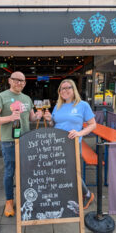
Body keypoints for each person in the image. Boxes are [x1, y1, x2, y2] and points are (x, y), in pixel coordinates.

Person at [0, 71, 43, 217]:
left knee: (26, 171)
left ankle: (25, 197)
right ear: (10, 81)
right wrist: (10, 117)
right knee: (10, 172)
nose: (20, 83)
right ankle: (9, 201)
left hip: (26, 140)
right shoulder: (1, 97)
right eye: (16, 80)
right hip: (9, 141)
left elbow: (31, 118)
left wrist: (38, 116)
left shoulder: (27, 98)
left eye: (22, 81)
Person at [43, 79, 96, 209]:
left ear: (74, 90)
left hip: (72, 144)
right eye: (62, 88)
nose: (65, 90)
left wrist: (80, 133)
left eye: (68, 87)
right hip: (57, 144)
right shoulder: (58, 106)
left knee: (71, 172)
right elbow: (55, 125)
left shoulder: (82, 105)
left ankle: (88, 194)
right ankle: (68, 194)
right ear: (59, 92)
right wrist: (50, 120)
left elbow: (93, 124)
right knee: (60, 171)